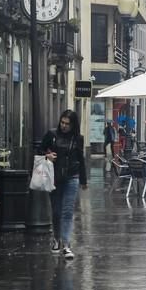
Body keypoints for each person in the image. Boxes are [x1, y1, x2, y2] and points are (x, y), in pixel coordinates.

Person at [40, 110, 88, 259]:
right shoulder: (51, 135)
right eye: (62, 122)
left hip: (72, 177)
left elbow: (81, 158)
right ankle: (56, 239)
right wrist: (46, 155)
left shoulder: (78, 138)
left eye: (67, 124)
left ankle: (66, 244)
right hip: (54, 177)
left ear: (73, 125)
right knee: (56, 212)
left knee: (67, 212)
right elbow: (39, 148)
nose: (64, 126)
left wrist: (83, 180)